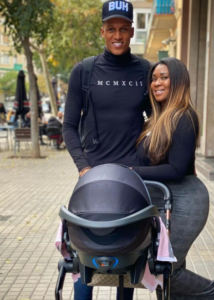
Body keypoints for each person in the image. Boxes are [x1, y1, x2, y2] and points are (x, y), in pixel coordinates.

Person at [62, 1, 150, 299]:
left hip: (132, 182)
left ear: (131, 32)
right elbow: (69, 127)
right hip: (91, 182)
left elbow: (157, 124)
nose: (117, 35)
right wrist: (83, 167)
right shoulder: (84, 71)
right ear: (102, 31)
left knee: (128, 263)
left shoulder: (146, 71)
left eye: (123, 29)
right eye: (111, 28)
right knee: (82, 260)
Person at [131, 57, 214, 300]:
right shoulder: (155, 120)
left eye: (163, 77)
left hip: (187, 201)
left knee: (162, 268)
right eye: (153, 78)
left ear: (178, 81)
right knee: (167, 268)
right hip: (162, 201)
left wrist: (131, 172)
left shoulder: (184, 117)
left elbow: (176, 170)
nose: (156, 83)